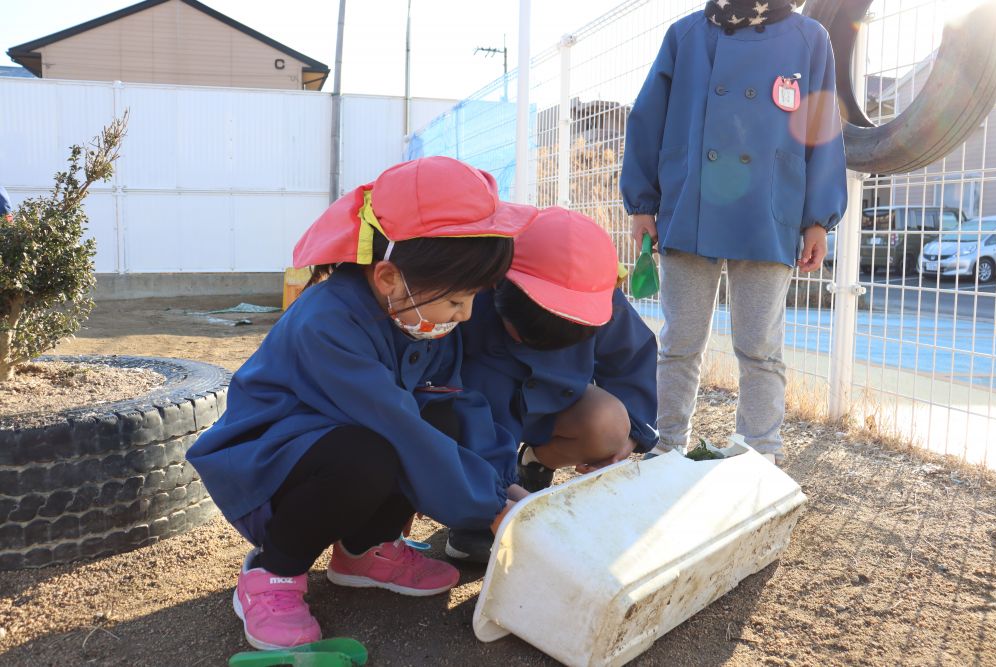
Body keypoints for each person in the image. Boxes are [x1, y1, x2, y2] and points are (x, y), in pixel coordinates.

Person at [186, 157, 537, 649]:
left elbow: (458, 406)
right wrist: (488, 505)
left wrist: (506, 484)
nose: (467, 313)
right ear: (390, 277)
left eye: (475, 296)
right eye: (458, 299)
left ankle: (365, 550)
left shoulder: (419, 313)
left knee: (439, 418)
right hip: (273, 467)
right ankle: (273, 572)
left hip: (355, 439)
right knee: (372, 452)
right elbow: (396, 425)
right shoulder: (327, 322)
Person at [620, 0, 847, 464]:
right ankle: (667, 446)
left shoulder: (809, 38)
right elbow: (647, 118)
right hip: (689, 204)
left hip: (770, 207)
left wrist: (818, 218)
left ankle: (759, 454)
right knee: (679, 341)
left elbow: (824, 128)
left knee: (760, 347)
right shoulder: (686, 35)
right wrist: (642, 203)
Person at [447, 207, 658, 563]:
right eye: (523, 334)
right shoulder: (470, 297)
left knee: (611, 424)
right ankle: (474, 515)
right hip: (481, 418)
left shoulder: (599, 292)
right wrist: (490, 493)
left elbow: (631, 360)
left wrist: (632, 436)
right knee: (457, 428)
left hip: (554, 406)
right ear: (499, 287)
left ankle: (533, 465)